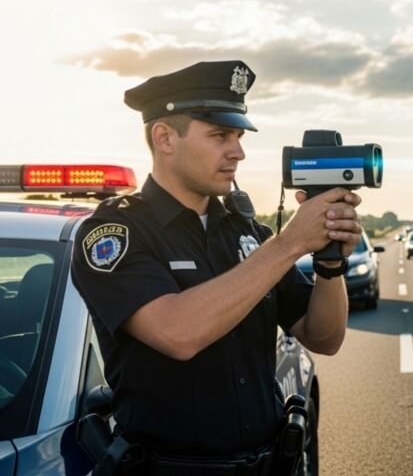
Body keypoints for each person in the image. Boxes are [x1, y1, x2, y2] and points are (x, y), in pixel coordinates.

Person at [70, 60, 361, 474]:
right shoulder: (114, 233)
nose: (238, 151)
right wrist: (290, 243)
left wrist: (330, 262)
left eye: (239, 136)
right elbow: (178, 333)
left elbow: (323, 337)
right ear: (165, 137)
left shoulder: (248, 233)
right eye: (220, 135)